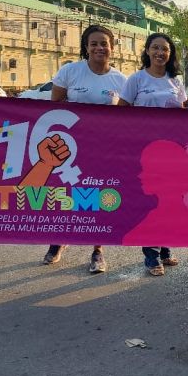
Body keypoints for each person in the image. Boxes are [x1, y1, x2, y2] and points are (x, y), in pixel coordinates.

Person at [41, 25, 126, 273]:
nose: (99, 48)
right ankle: (59, 240)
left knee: (97, 197)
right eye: (94, 43)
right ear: (86, 47)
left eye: (104, 43)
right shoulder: (70, 71)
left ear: (112, 47)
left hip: (103, 149)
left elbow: (126, 117)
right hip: (69, 149)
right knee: (64, 194)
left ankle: (98, 250)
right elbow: (54, 105)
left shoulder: (120, 80)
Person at [119, 32, 187, 276]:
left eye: (165, 49)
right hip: (145, 151)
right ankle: (151, 256)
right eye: (156, 48)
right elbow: (122, 113)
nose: (160, 53)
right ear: (147, 51)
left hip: (170, 151)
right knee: (150, 202)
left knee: (169, 201)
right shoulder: (136, 79)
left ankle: (166, 249)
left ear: (170, 54)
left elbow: (183, 114)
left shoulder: (175, 82)